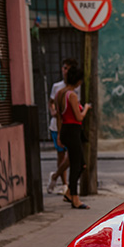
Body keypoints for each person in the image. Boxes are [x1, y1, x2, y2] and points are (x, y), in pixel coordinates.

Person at [54, 66, 91, 209]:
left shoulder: (59, 94)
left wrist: (59, 135)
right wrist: (86, 108)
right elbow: (78, 116)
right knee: (77, 165)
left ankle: (70, 193)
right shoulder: (72, 95)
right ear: (78, 81)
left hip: (65, 129)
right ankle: (75, 198)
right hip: (73, 130)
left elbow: (58, 116)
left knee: (80, 163)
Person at [47, 58, 78, 193]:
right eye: (64, 68)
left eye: (68, 69)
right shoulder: (57, 87)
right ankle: (64, 184)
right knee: (61, 154)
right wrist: (53, 111)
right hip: (58, 125)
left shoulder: (76, 88)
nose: (65, 71)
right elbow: (51, 102)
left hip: (71, 125)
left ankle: (56, 176)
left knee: (71, 156)